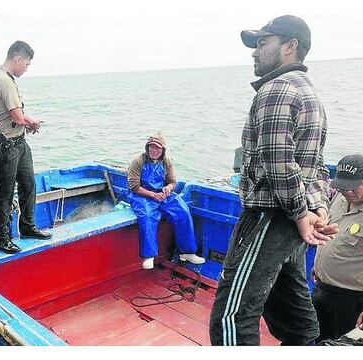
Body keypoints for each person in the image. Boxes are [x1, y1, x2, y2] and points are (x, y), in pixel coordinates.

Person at [208, 15, 339, 346]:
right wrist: (317, 208)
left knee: (231, 317)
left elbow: (278, 163)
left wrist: (298, 214)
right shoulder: (309, 93)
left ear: (290, 46)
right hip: (292, 222)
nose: (254, 52)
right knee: (294, 315)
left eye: (262, 43)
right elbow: (317, 166)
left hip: (269, 216)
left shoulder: (277, 89)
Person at [0, 40, 52, 254]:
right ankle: (1, 238)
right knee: (4, 193)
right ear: (18, 59)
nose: (26, 68)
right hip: (6, 146)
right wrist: (32, 121)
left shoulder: (6, 79)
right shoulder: (3, 81)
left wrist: (26, 125)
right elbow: (17, 115)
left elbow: (15, 118)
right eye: (26, 63)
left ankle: (27, 226)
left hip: (18, 141)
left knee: (29, 184)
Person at [312, 155, 363, 342]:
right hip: (321, 288)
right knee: (317, 338)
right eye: (343, 186)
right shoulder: (341, 195)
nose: (348, 191)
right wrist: (320, 265)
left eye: (354, 186)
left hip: (351, 299)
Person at [126, 132, 205, 269]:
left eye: (158, 148)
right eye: (151, 147)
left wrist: (168, 188)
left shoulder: (167, 162)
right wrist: (152, 195)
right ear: (147, 148)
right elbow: (134, 187)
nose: (154, 150)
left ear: (163, 150)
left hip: (162, 195)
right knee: (147, 215)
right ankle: (149, 255)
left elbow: (172, 182)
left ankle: (186, 252)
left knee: (182, 210)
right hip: (142, 195)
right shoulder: (138, 162)